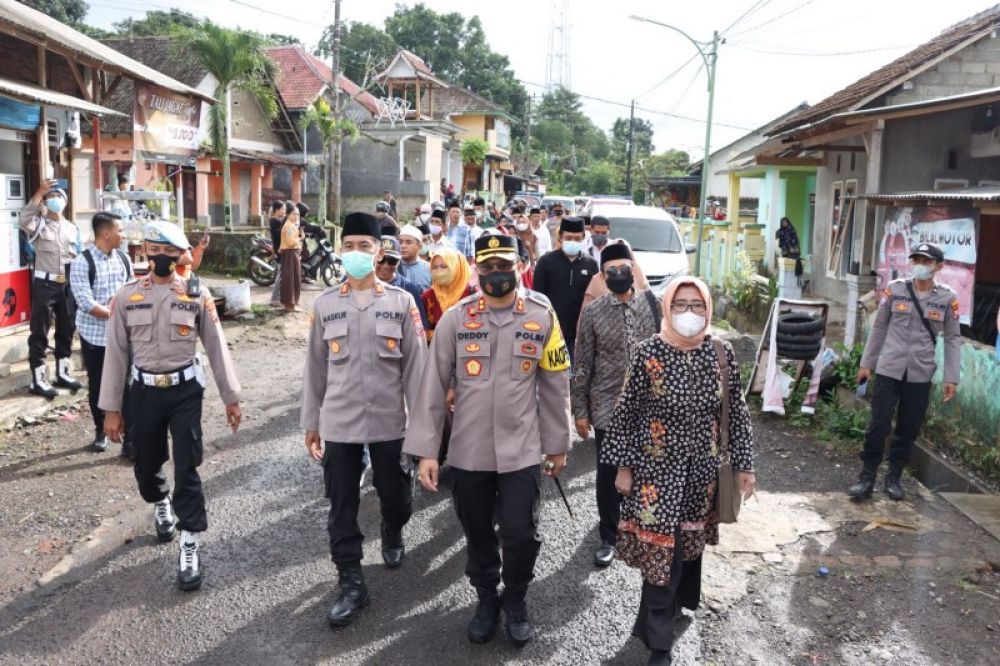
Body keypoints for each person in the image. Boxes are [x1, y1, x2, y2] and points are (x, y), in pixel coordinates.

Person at [404, 233, 572, 648]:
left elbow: (555, 382)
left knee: (520, 533)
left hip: (522, 448)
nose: (497, 274)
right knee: (477, 530)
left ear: (519, 265)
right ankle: (485, 598)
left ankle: (515, 597)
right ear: (476, 269)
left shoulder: (542, 313)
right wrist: (427, 450)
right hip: (469, 449)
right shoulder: (456, 319)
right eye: (489, 267)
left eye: (505, 265)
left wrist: (558, 443)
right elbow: (430, 387)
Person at [602, 277, 755, 665]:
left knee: (685, 548)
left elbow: (736, 412)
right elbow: (625, 414)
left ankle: (669, 609)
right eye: (681, 305)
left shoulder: (721, 353)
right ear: (667, 308)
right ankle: (659, 644)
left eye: (697, 305)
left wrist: (744, 465)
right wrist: (624, 467)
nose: (689, 313)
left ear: (708, 308)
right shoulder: (647, 352)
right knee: (661, 553)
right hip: (656, 474)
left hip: (701, 474)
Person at [100, 221, 242, 591]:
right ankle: (159, 501)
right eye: (154, 250)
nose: (160, 257)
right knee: (146, 465)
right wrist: (111, 410)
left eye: (168, 251)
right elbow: (115, 354)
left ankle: (190, 543)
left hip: (185, 392)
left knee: (188, 465)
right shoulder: (127, 296)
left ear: (180, 254)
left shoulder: (197, 294)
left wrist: (231, 397)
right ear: (145, 251)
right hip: (143, 393)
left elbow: (216, 346)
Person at [301, 212, 427, 628]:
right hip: (340, 422)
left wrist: (422, 434)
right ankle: (351, 581)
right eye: (349, 246)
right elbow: (315, 370)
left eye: (365, 247)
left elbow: (417, 372)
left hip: (391, 421)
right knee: (341, 505)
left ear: (379, 253)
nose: (356, 253)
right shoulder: (325, 305)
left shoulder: (401, 302)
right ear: (341, 251)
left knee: (395, 496)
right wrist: (311, 422)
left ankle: (393, 528)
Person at [571, 243, 661, 568]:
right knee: (608, 471)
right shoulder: (594, 312)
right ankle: (609, 535)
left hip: (649, 405)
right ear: (602, 276)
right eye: (612, 272)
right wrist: (580, 410)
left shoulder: (654, 306)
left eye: (625, 269)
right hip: (606, 404)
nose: (619, 275)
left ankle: (641, 525)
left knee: (647, 468)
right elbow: (582, 362)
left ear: (634, 270)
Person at [850, 242, 960, 501]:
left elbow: (953, 339)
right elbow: (879, 329)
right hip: (889, 369)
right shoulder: (895, 289)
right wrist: (867, 363)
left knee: (908, 428)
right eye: (917, 260)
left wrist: (951, 377)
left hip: (920, 374)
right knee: (878, 424)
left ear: (938, 266)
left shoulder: (947, 298)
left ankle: (894, 477)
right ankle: (866, 477)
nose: (920, 264)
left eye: (926, 261)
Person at [69, 212, 133, 454]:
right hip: (95, 336)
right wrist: (115, 316)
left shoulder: (124, 259)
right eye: (120, 230)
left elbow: (130, 291)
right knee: (98, 385)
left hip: (123, 335)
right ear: (106, 233)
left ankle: (129, 438)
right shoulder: (82, 262)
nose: (123, 235)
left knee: (127, 386)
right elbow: (85, 302)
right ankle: (100, 430)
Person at [20, 180, 83, 398]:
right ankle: (38, 379)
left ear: (64, 201)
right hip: (44, 284)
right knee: (40, 331)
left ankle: (63, 373)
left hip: (66, 284)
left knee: (66, 329)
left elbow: (80, 258)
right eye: (49, 197)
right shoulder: (38, 224)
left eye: (57, 196)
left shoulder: (73, 228)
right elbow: (23, 219)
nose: (53, 199)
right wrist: (40, 192)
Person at [532, 216, 598, 362]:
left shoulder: (591, 264)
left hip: (580, 332)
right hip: (551, 330)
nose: (573, 241)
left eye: (577, 238)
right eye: (569, 237)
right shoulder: (546, 262)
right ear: (560, 236)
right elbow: (537, 298)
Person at [421, 246, 473, 340]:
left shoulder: (472, 295)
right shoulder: (428, 296)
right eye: (434, 267)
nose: (439, 272)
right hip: (436, 350)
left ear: (456, 267)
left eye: (444, 267)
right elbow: (422, 331)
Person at [378, 235, 429, 330]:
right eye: (381, 260)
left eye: (392, 261)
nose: (385, 266)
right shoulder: (361, 285)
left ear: (398, 262)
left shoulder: (410, 289)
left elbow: (420, 329)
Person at [582, 240, 651, 308]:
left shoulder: (638, 272)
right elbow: (586, 307)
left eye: (624, 268)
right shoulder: (597, 279)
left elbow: (649, 295)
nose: (619, 273)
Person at [279, 202, 303, 312]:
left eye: (297, 214)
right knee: (291, 279)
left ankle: (290, 304)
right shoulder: (288, 226)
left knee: (293, 278)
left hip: (293, 253)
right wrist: (300, 239)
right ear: (288, 215)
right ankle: (290, 305)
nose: (296, 216)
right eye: (294, 214)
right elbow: (290, 242)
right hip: (290, 254)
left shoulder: (292, 225)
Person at [397, 224, 432, 291]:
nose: (403, 246)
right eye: (400, 242)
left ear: (419, 246)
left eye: (408, 242)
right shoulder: (392, 266)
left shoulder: (429, 269)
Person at [268, 200, 287, 306]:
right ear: (277, 210)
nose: (284, 211)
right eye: (283, 209)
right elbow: (280, 235)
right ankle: (274, 299)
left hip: (279, 248)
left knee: (281, 274)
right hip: (280, 249)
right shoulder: (275, 221)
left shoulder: (275, 220)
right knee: (280, 274)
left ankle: (278, 298)